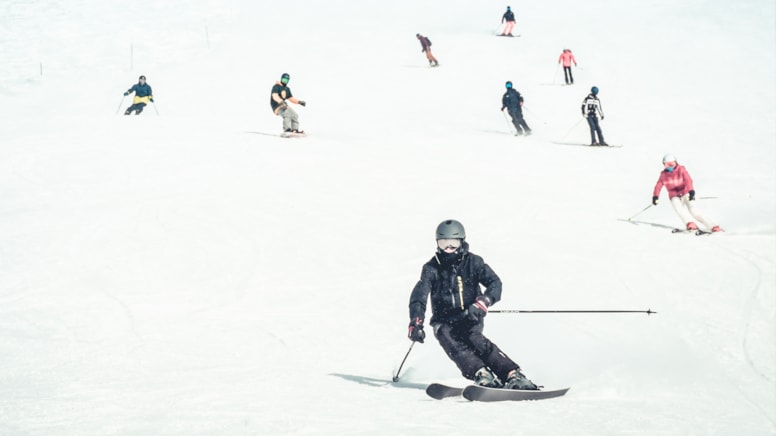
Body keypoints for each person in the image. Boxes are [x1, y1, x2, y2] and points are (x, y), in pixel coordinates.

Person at [407, 219, 539, 390]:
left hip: (471, 315)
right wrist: (416, 321)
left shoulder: (473, 263)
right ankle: (481, 373)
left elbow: (495, 283)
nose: (448, 249)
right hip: (444, 320)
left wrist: (484, 302)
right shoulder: (431, 268)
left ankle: (513, 374)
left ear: (462, 242)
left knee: (475, 339)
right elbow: (419, 295)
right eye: (443, 243)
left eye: (453, 244)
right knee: (446, 336)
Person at [652, 154, 722, 232]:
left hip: (685, 193)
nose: (670, 166)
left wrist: (691, 191)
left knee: (694, 211)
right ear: (664, 165)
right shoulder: (663, 175)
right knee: (678, 208)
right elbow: (658, 186)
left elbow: (688, 180)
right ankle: (690, 223)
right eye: (667, 165)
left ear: (676, 162)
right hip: (674, 195)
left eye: (672, 164)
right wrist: (655, 196)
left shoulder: (681, 170)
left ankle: (713, 226)